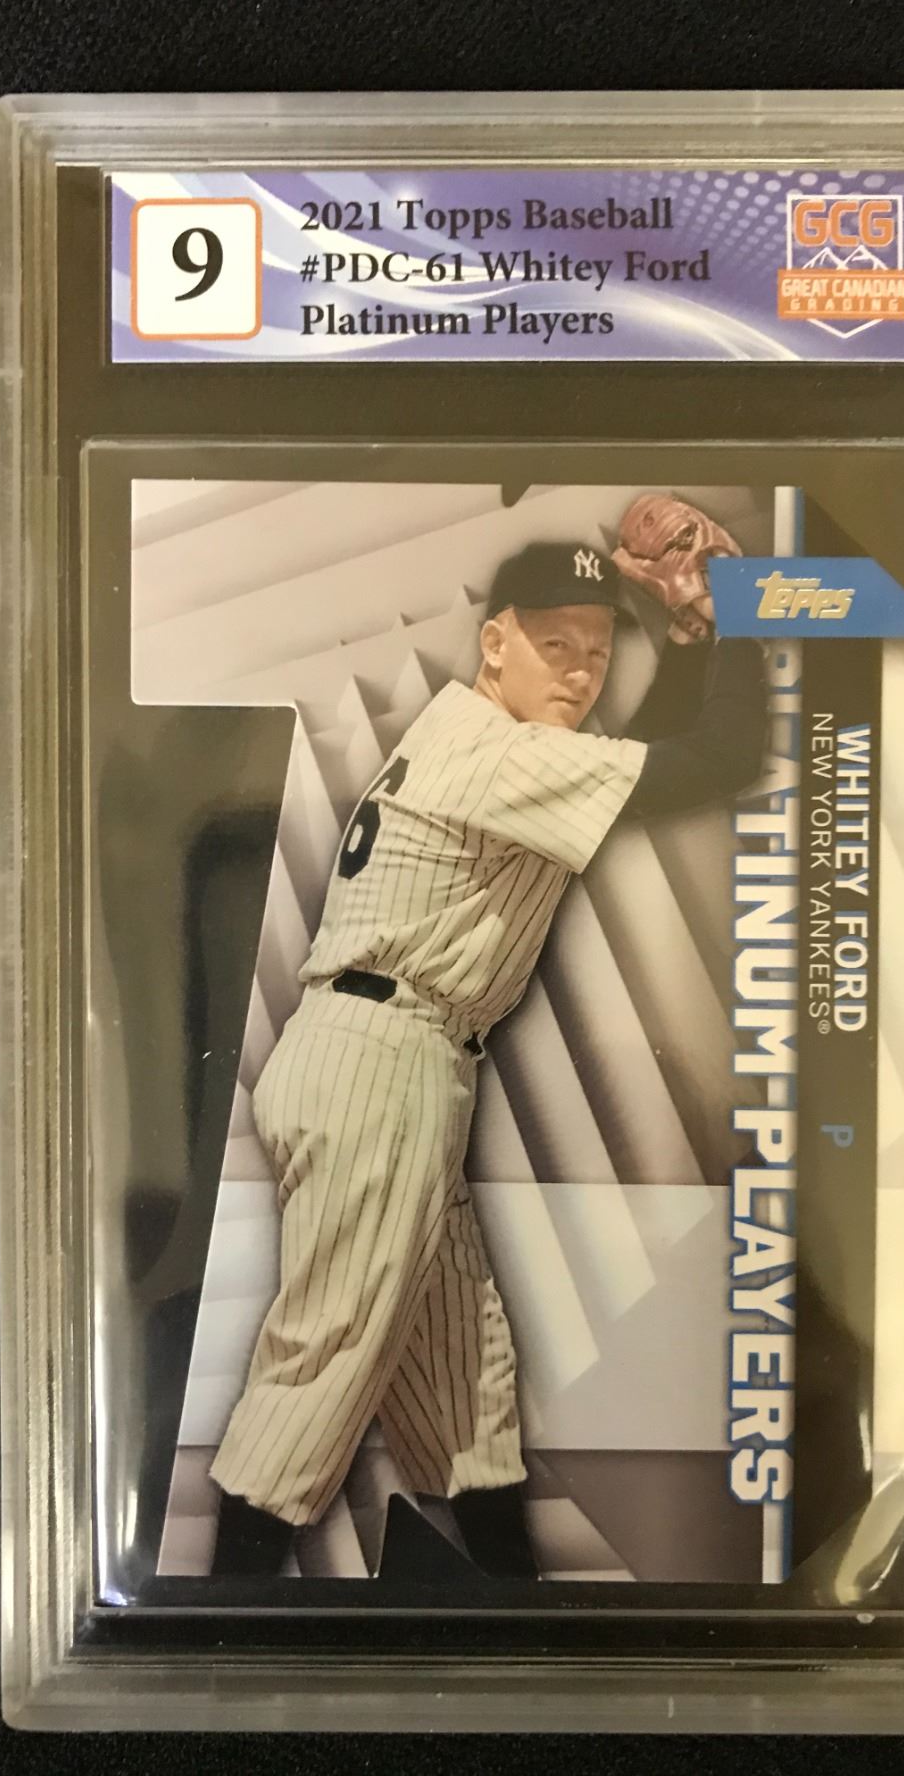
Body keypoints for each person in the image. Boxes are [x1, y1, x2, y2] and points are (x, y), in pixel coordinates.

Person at [208, 526, 767, 1579]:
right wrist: (733, 612)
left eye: (598, 650)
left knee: (463, 1378)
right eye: (555, 645)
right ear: (495, 643)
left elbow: (644, 758)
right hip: (381, 1064)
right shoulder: (498, 753)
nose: (581, 671)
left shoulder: (480, 732)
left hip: (383, 1056)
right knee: (324, 1363)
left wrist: (690, 644)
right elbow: (716, 761)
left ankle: (515, 1609)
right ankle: (212, 1621)